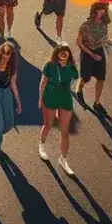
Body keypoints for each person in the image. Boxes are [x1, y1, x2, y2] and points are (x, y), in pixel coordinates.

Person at [39, 43, 78, 175]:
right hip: (50, 96)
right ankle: (42, 145)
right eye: (60, 52)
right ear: (56, 54)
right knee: (49, 124)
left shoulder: (72, 67)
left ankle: (63, 159)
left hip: (65, 98)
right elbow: (43, 82)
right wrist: (40, 99)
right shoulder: (49, 65)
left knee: (65, 131)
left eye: (65, 53)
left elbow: (75, 80)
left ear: (68, 55)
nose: (63, 55)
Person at [75, 1, 110, 107]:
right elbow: (79, 42)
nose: (102, 11)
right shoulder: (85, 25)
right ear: (94, 10)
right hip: (87, 52)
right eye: (99, 9)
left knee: (101, 78)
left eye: (103, 9)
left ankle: (97, 102)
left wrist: (110, 44)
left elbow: (103, 37)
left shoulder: (104, 22)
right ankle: (79, 89)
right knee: (86, 78)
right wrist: (91, 54)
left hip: (99, 51)